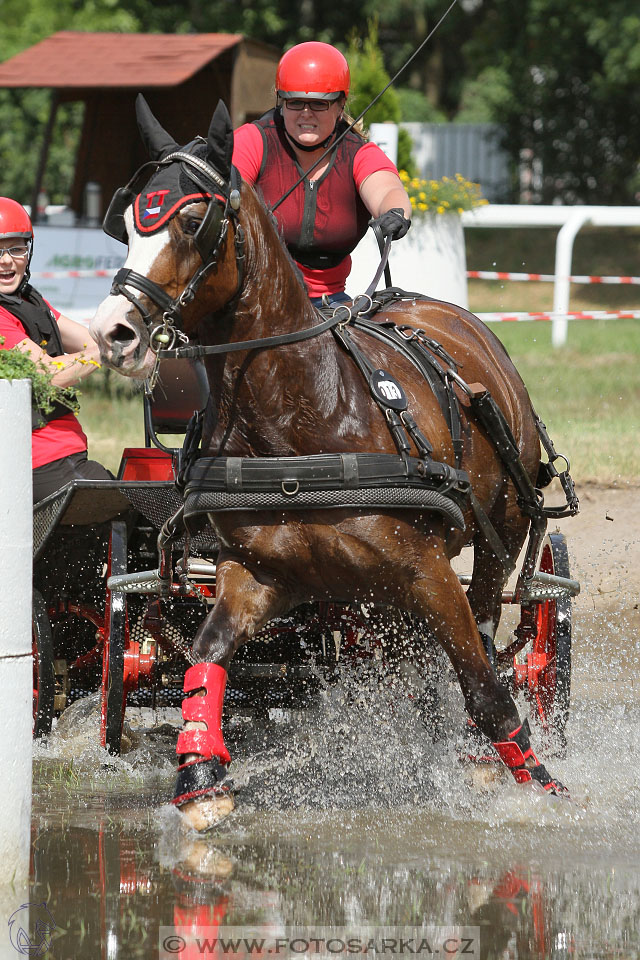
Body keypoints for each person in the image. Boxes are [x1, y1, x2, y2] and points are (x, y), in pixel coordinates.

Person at [232, 41, 412, 307]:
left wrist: (395, 211)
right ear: (281, 101)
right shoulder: (252, 140)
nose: (306, 114)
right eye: (295, 103)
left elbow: (387, 189)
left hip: (331, 304)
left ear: (341, 105)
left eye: (319, 104)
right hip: (253, 300)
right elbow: (223, 191)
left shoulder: (358, 152)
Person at [0, 197, 111, 502]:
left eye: (16, 248)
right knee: (132, 508)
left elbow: (91, 340)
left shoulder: (30, 301)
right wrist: (102, 352)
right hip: (39, 464)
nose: (7, 261)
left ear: (29, 250)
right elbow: (48, 376)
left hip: (67, 457)